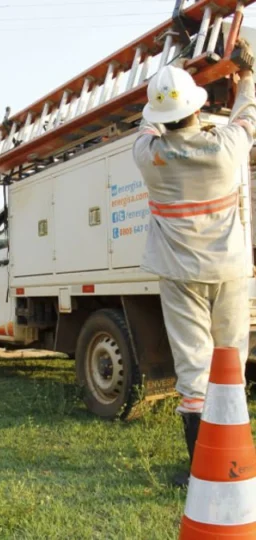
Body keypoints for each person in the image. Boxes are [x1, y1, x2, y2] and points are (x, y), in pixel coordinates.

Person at [132, 44, 256, 487]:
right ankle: (234, 459)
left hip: (179, 275)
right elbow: (247, 116)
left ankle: (201, 468)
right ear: (198, 108)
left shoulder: (148, 157)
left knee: (193, 369)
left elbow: (147, 124)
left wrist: (171, 74)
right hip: (229, 271)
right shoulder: (226, 149)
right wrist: (246, 75)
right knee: (231, 362)